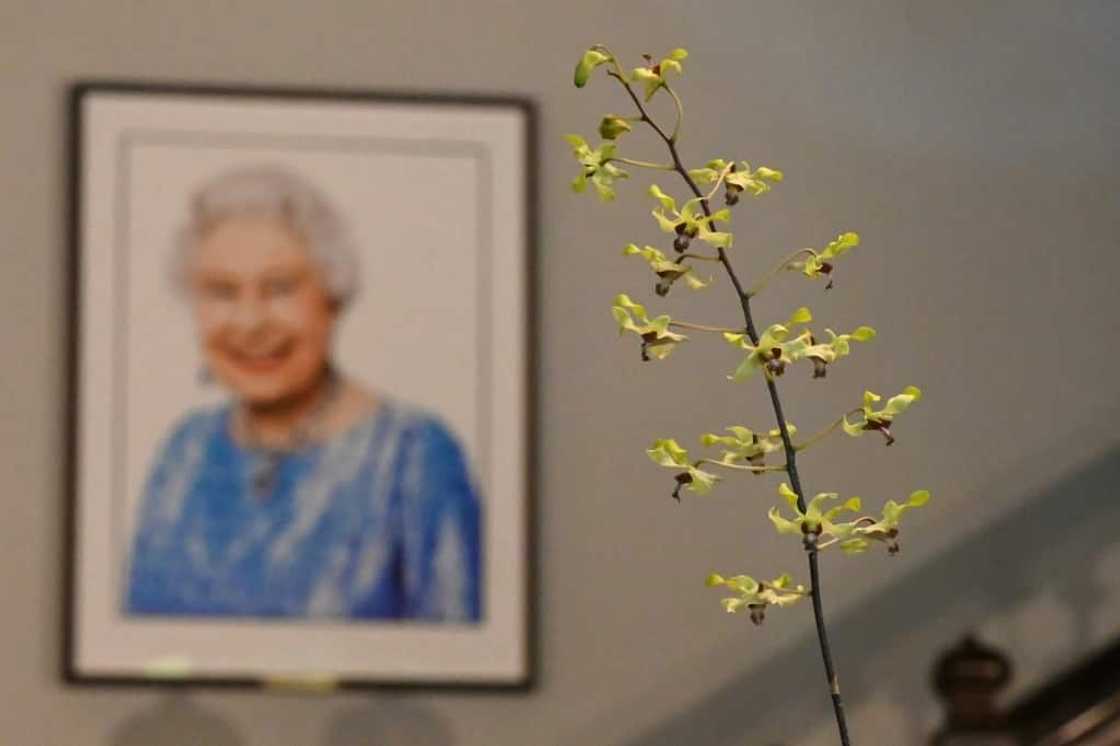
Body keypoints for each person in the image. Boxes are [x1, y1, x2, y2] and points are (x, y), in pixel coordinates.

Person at [124, 165, 482, 621]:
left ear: (331, 297)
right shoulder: (183, 452)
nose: (250, 323)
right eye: (222, 292)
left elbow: (461, 666)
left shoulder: (412, 456)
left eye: (280, 289)